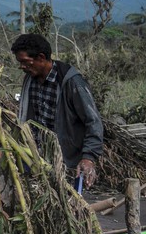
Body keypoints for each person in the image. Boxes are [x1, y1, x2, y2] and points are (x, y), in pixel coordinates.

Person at [11, 33, 105, 190]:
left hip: (66, 161)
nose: (22, 66)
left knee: (69, 205)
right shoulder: (30, 80)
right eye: (20, 62)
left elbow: (93, 121)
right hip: (37, 159)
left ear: (41, 57)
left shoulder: (72, 83)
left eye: (25, 62)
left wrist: (88, 157)